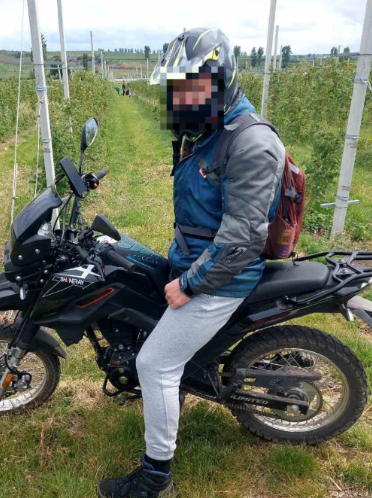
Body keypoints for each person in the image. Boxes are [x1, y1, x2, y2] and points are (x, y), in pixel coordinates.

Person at [97, 28, 285, 498]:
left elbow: (243, 236)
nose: (180, 100)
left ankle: (154, 479)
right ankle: (179, 387)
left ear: (220, 82)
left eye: (189, 89)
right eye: (176, 89)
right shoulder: (210, 130)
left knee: (155, 364)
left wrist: (190, 284)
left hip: (222, 277)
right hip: (194, 257)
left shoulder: (250, 143)